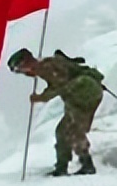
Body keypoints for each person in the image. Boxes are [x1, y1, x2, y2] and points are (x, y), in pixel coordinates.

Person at [8, 48, 104, 176]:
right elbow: (57, 85)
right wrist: (43, 95)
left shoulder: (46, 67)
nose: (22, 72)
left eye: (19, 69)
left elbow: (62, 86)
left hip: (84, 94)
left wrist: (41, 97)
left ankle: (86, 164)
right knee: (63, 131)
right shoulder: (44, 66)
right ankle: (62, 166)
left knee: (72, 130)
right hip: (80, 95)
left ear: (25, 63)